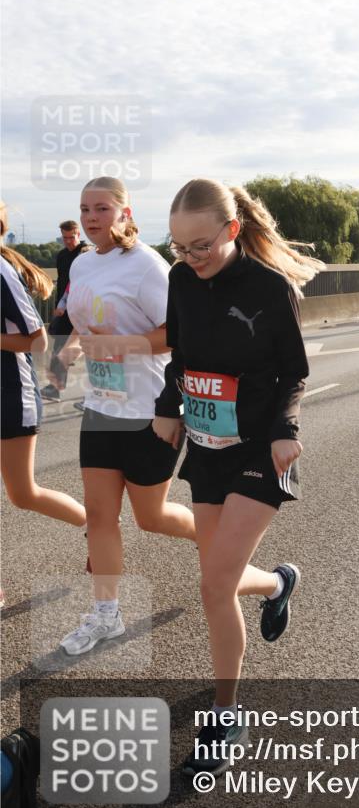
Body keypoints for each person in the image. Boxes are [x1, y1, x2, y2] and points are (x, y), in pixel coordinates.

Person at [151, 179, 324, 777]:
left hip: (259, 450)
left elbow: (293, 372)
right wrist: (169, 409)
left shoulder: (269, 288)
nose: (191, 259)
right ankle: (277, 585)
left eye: (201, 246)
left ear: (231, 230)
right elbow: (181, 360)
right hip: (207, 446)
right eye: (179, 248)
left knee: (212, 587)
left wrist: (286, 429)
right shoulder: (180, 281)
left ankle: (226, 714)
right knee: (217, 578)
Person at [55, 177, 197, 656]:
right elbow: (85, 321)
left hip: (148, 408)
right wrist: (76, 347)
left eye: (101, 208)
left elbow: (175, 333)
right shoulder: (81, 262)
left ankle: (211, 537)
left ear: (124, 212)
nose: (92, 217)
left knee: (151, 517)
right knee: (99, 515)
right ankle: (105, 614)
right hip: (101, 406)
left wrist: (118, 346)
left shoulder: (147, 266)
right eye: (84, 209)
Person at [1, 202, 87, 553]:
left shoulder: (2, 272)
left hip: (10, 394)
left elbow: (36, 340)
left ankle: (99, 526)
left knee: (23, 494)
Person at [40, 221, 88, 402]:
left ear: (78, 234)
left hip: (83, 307)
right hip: (65, 308)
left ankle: (93, 393)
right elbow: (62, 283)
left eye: (71, 237)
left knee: (91, 349)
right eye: (65, 238)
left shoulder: (85, 252)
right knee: (59, 346)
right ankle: (54, 387)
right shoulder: (61, 256)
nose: (68, 241)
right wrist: (59, 305)